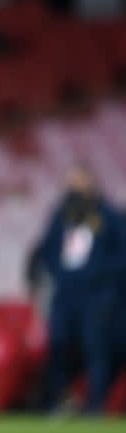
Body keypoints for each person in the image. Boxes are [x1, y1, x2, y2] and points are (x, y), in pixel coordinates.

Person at [39, 165, 126, 413]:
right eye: (71, 182)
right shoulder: (61, 215)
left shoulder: (109, 216)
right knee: (59, 344)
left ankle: (96, 405)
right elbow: (47, 249)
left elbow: (122, 255)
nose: (74, 187)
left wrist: (100, 275)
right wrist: (61, 273)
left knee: (95, 347)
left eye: (79, 181)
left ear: (91, 183)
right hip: (66, 293)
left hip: (98, 295)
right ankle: (60, 402)